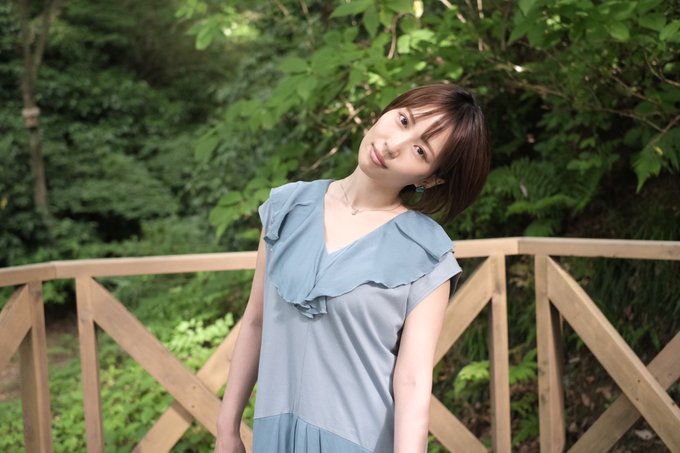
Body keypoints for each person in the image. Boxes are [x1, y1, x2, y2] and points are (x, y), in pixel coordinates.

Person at [215, 83, 490, 453]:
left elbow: (412, 382)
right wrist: (226, 428)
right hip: (274, 435)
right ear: (387, 111)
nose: (393, 145)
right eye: (403, 120)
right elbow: (256, 321)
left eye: (420, 150)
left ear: (430, 178)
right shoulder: (287, 207)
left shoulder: (426, 253)